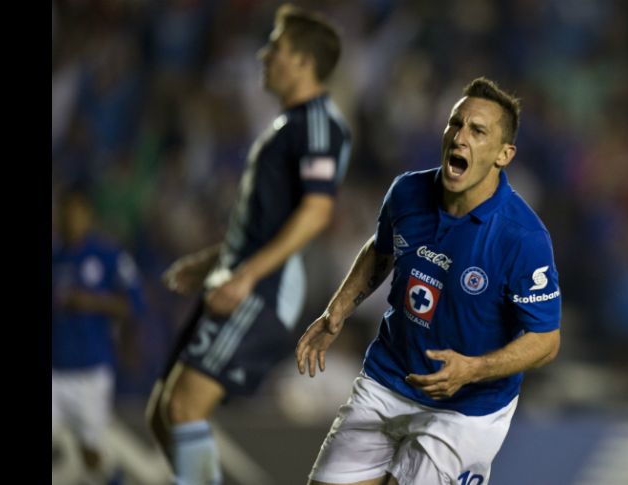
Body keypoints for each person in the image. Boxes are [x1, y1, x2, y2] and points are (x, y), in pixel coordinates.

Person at [296, 77, 562, 485]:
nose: (460, 137)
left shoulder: (522, 238)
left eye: (477, 131)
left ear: (503, 154)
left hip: (466, 408)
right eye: (456, 124)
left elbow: (546, 340)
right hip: (389, 377)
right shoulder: (407, 193)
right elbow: (381, 250)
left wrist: (472, 369)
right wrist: (337, 311)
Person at [145, 4, 350, 483]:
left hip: (263, 289)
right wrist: (213, 262)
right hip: (240, 278)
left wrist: (246, 274)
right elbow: (267, 222)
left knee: (184, 408)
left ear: (302, 60)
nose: (264, 55)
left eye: (275, 47)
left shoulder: (319, 124)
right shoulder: (282, 128)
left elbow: (316, 212)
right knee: (164, 415)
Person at [52, 187, 145, 484]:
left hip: (91, 370)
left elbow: (134, 304)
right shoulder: (55, 257)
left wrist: (92, 301)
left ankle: (114, 477)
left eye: (76, 212)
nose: (69, 219)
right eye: (65, 211)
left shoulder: (108, 256)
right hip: (55, 371)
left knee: (91, 453)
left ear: (89, 216)